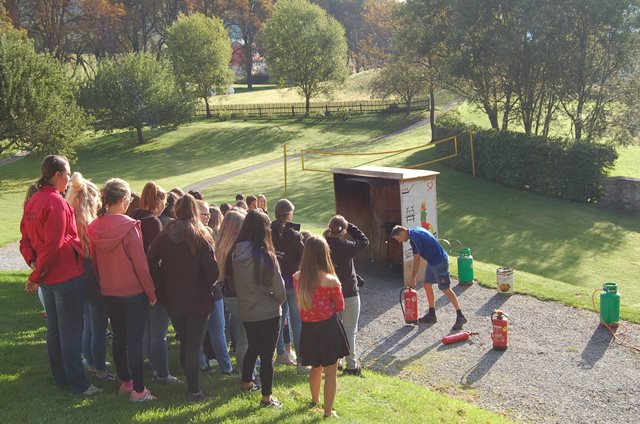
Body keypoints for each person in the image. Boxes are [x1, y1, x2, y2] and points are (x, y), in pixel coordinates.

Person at [19, 155, 100, 396]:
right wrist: (36, 274)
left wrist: (35, 266)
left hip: (48, 277)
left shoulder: (33, 201)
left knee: (55, 330)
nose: (68, 179)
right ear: (57, 175)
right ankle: (79, 384)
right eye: (67, 174)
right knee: (70, 332)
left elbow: (26, 240)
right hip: (64, 275)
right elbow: (53, 245)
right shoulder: (56, 202)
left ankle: (61, 378)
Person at [89, 178, 157, 401]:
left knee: (119, 337)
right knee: (134, 341)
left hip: (109, 290)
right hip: (132, 292)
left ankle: (126, 383)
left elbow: (96, 263)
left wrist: (103, 282)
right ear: (125, 199)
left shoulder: (95, 227)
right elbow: (140, 264)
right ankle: (139, 390)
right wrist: (151, 292)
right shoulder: (130, 226)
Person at [147, 194, 219, 401]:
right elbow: (212, 273)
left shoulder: (165, 232)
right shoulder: (201, 234)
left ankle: (191, 384)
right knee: (193, 344)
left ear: (176, 210)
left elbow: (150, 260)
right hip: (197, 298)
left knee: (187, 341)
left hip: (173, 297)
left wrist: (161, 282)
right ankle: (194, 390)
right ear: (195, 211)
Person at [232, 209, 286, 408]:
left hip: (246, 310)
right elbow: (279, 290)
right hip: (268, 311)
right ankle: (266, 398)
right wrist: (275, 301)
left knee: (252, 347)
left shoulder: (235, 253)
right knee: (267, 356)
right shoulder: (266, 256)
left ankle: (246, 384)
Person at [65, 172, 115, 381]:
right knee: (98, 327)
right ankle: (101, 369)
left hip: (77, 274)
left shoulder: (69, 218)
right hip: (93, 275)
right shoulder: (94, 225)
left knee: (87, 324)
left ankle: (92, 363)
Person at [294, 236, 350, 419]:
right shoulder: (331, 280)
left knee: (315, 367)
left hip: (308, 328)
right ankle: (327, 412)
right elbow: (340, 306)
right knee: (331, 372)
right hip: (328, 328)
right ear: (324, 254)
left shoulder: (297, 278)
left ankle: (315, 400)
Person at [133, 182, 179, 384]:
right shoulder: (153, 222)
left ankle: (152, 366)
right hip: (153, 283)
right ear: (158, 201)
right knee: (158, 333)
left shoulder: (134, 215)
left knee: (146, 330)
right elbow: (157, 257)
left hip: (136, 282)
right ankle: (162, 373)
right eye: (164, 202)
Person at [391, 225, 467, 330]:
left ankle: (461, 316)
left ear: (402, 233)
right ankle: (431, 315)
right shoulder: (415, 230)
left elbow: (416, 260)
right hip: (432, 262)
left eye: (398, 239)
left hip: (440, 262)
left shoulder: (414, 238)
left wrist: (413, 278)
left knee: (445, 289)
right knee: (427, 285)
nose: (399, 241)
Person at [323, 215, 369, 377]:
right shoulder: (346, 246)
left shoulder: (323, 246)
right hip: (348, 292)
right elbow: (364, 241)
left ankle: (336, 362)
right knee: (350, 330)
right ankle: (351, 365)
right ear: (343, 231)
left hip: (329, 293)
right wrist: (350, 226)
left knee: (334, 330)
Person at [271, 199, 304, 370]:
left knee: (279, 319)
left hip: (275, 282)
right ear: (289, 214)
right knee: (297, 321)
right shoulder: (294, 236)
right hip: (292, 282)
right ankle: (301, 360)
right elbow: (304, 255)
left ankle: (281, 354)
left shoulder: (268, 232)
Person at [217, 210, 248, 379]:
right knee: (244, 339)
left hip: (228, 296)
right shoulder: (238, 249)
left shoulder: (221, 246)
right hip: (240, 296)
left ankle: (244, 370)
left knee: (240, 337)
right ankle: (246, 375)